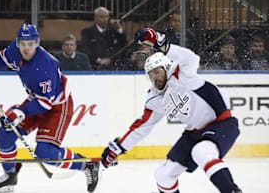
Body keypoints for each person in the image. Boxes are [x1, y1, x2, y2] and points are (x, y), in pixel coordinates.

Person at [101, 27, 242, 193]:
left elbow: (190, 57)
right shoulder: (154, 98)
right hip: (193, 133)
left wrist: (159, 42)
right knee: (163, 175)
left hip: (221, 123)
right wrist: (118, 148)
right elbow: (142, 126)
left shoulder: (183, 75)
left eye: (157, 71)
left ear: (166, 67)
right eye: (150, 74)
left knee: (201, 151)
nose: (154, 77)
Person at [0, 23, 100, 193]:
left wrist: (20, 113)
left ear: (37, 43)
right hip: (36, 100)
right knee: (5, 135)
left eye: (30, 44)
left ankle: (87, 165)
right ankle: (10, 176)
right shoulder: (15, 50)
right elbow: (0, 60)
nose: (26, 48)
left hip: (57, 106)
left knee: (46, 153)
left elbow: (45, 104)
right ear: (18, 42)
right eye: (23, 43)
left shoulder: (46, 65)